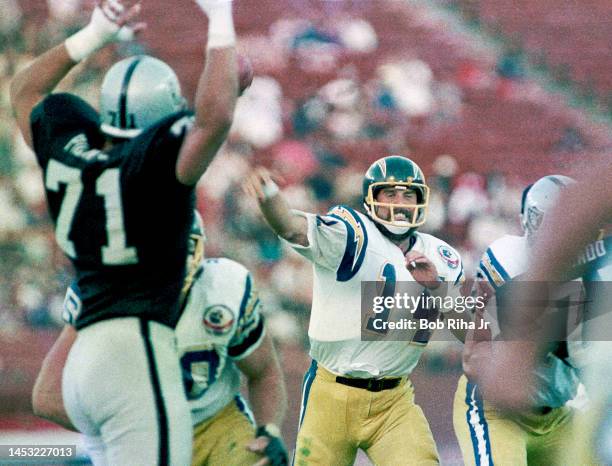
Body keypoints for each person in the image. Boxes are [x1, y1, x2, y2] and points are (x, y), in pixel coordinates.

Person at [10, 0, 239, 463]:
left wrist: (92, 35)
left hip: (84, 357)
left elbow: (24, 92)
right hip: (134, 348)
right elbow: (214, 117)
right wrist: (220, 20)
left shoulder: (71, 151)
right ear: (165, 116)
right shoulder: (157, 163)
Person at [244, 156, 467, 465]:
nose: (399, 203)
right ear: (371, 199)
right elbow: (292, 228)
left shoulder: (442, 256)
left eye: (408, 194)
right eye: (390, 193)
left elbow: (468, 330)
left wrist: (436, 288)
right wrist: (269, 196)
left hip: (395, 400)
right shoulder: (353, 233)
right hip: (332, 394)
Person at [33, 213, 290, 466]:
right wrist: (120, 425)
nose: (171, 255)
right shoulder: (101, 295)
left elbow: (264, 372)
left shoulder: (224, 290)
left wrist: (268, 429)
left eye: (177, 243)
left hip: (214, 423)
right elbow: (47, 396)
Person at [463, 159, 612, 464]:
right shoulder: (510, 260)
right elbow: (476, 354)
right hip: (499, 408)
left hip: (559, 412)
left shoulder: (597, 278)